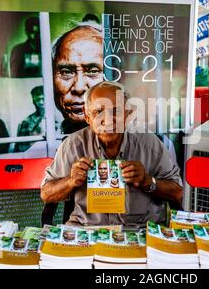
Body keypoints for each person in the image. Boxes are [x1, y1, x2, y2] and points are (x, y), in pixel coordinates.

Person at [41, 81, 183, 228]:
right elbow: (46, 194)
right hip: (87, 231)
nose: (108, 120)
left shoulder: (150, 144)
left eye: (116, 111)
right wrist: (70, 181)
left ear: (128, 114)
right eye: (98, 112)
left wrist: (147, 181)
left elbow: (177, 193)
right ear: (87, 115)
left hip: (139, 231)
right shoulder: (73, 145)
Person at [51, 22, 105, 134]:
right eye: (66, 72)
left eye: (93, 71)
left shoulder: (142, 146)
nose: (79, 88)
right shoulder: (43, 148)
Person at [14, 86, 45, 152]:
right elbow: (19, 146)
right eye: (38, 99)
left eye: (43, 99)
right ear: (33, 100)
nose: (41, 102)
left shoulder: (59, 120)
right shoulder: (26, 121)